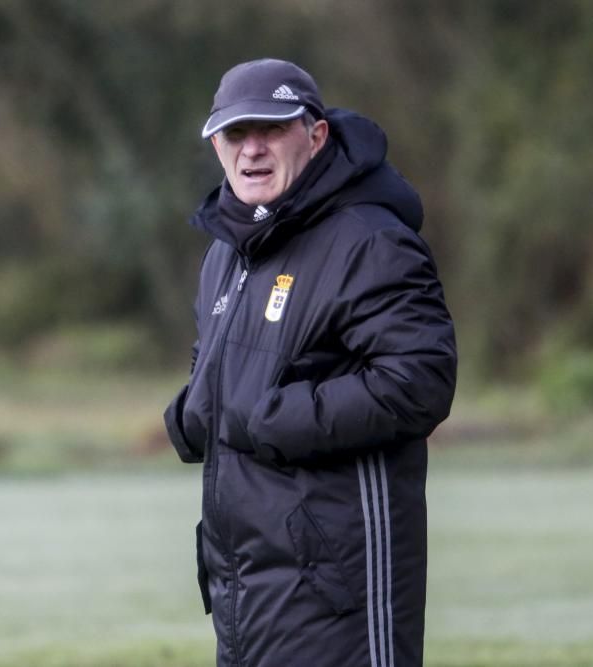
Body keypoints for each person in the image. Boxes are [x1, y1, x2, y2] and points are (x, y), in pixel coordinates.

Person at [164, 58, 457, 667]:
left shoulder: (368, 240)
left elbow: (419, 380)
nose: (251, 151)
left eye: (270, 130)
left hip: (337, 589)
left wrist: (273, 417)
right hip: (244, 587)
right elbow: (220, 366)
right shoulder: (228, 249)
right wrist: (194, 410)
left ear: (316, 134)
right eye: (235, 135)